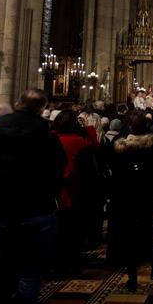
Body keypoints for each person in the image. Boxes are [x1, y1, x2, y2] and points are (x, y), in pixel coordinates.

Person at [0, 89, 67, 304]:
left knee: (0, 268)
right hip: (37, 208)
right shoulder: (47, 135)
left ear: (18, 103)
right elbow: (58, 169)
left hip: (1, 208)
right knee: (30, 273)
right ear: (42, 109)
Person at [108, 112, 153, 290]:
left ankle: (132, 276)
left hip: (125, 196)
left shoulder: (120, 147)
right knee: (149, 231)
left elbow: (114, 172)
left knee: (128, 236)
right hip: (147, 195)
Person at [51, 110, 99, 275]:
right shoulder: (78, 141)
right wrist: (89, 129)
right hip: (74, 190)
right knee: (74, 230)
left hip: (54, 191)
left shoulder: (50, 139)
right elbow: (93, 154)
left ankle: (57, 263)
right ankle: (72, 262)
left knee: (57, 229)